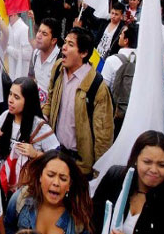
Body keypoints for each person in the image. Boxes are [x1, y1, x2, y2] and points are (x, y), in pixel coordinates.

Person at [42, 27, 114, 177]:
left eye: (71, 44)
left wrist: (98, 174)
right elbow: (49, 100)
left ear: (84, 53)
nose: (64, 48)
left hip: (80, 165)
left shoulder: (96, 86)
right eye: (65, 42)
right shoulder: (58, 69)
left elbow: (103, 136)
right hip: (55, 153)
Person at [92, 130, 164, 234]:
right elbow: (92, 219)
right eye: (147, 162)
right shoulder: (115, 178)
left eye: (162, 165)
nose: (154, 170)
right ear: (136, 159)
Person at [0, 78, 59, 196]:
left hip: (27, 191)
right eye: (10, 94)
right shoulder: (4, 117)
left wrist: (36, 154)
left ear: (28, 101)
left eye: (16, 97)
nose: (10, 100)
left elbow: (57, 160)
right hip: (3, 184)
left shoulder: (40, 127)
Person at [4, 150, 93, 234]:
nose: (56, 183)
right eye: (51, 175)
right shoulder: (21, 198)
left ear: (69, 185)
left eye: (63, 178)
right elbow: (7, 228)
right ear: (40, 177)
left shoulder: (78, 220)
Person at [28, 18, 61, 106]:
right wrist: (31, 22)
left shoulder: (60, 61)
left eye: (44, 34)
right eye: (39, 31)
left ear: (53, 40)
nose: (38, 36)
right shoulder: (35, 54)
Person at [102, 23, 138, 88]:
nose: (119, 36)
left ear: (126, 41)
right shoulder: (141, 62)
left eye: (121, 34)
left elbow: (103, 88)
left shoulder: (112, 61)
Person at [7, 13, 33, 81]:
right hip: (10, 73)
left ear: (14, 14)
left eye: (8, 14)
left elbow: (27, 54)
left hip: (21, 75)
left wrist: (8, 49)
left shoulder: (24, 28)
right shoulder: (9, 27)